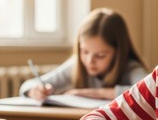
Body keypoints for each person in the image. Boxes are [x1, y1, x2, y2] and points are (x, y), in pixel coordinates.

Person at [19, 8, 148, 101]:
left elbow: (148, 92)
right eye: (84, 51)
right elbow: (27, 85)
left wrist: (94, 93)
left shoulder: (130, 68)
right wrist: (35, 90)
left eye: (100, 55)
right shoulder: (76, 65)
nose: (89, 61)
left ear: (118, 53)